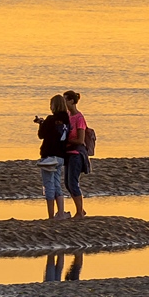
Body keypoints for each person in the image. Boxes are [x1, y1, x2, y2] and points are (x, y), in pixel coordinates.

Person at [34, 94, 72, 220]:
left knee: (48, 184)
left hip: (49, 156)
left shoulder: (50, 119)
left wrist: (41, 124)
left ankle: (50, 216)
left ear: (54, 106)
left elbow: (42, 135)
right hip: (61, 156)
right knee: (57, 183)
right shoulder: (67, 120)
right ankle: (60, 213)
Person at [62, 89, 89, 220]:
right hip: (68, 153)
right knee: (67, 183)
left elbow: (80, 140)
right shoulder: (67, 115)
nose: (64, 102)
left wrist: (66, 140)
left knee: (73, 182)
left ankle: (79, 212)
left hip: (77, 153)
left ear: (71, 101)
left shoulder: (79, 118)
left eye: (65, 99)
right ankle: (80, 209)